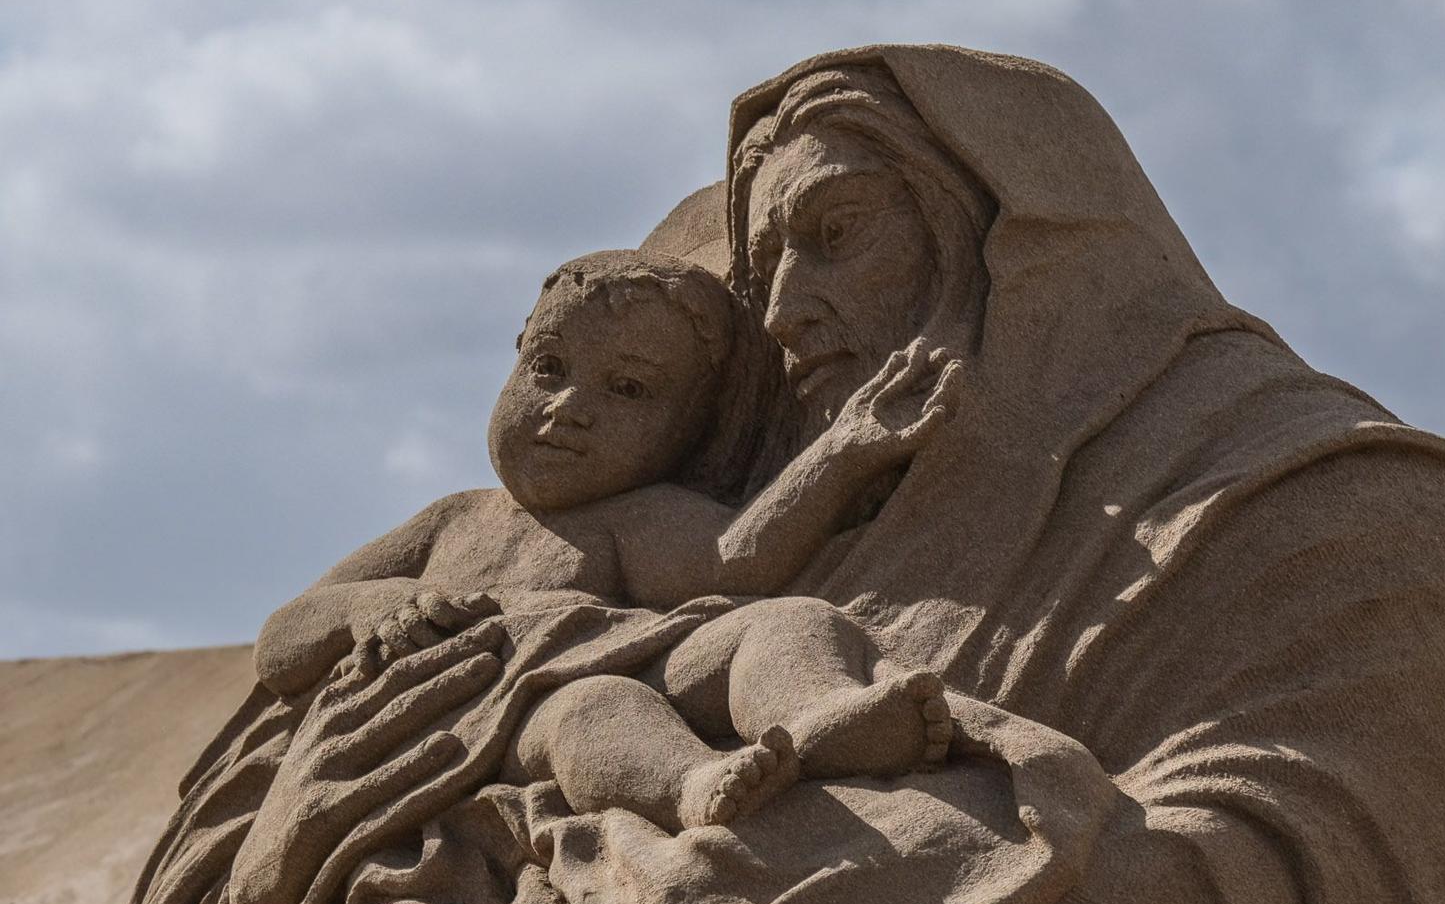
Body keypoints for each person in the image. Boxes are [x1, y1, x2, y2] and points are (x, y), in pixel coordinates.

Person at [60, 48, 1445, 904]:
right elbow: (303, 768)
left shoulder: (1333, 520)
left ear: (1027, 250)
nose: (785, 313)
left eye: (838, 233)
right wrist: (268, 883)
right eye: (765, 255)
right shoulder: (720, 512)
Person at [256, 249, 957, 836]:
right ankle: (690, 784)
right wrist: (370, 608)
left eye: (626, 389)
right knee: (596, 710)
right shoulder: (454, 520)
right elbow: (282, 641)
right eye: (549, 369)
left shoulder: (645, 514)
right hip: (494, 716)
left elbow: (734, 563)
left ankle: (817, 712)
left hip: (630, 657)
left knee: (790, 622)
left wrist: (839, 454)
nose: (569, 410)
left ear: (688, 430)